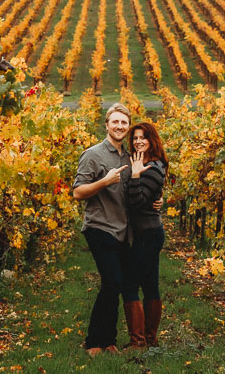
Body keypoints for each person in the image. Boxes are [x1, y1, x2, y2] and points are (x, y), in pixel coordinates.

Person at [73, 103, 132, 357]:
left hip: (122, 230)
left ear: (128, 127)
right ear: (107, 124)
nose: (119, 126)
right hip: (99, 226)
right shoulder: (93, 154)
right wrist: (104, 181)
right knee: (112, 282)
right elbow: (77, 192)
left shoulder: (129, 158)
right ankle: (94, 342)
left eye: (124, 123)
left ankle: (109, 340)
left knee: (115, 286)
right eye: (115, 122)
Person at [121, 122, 168, 349]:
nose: (138, 141)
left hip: (148, 234)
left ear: (152, 141)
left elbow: (137, 203)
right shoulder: (146, 164)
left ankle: (138, 341)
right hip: (148, 232)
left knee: (130, 284)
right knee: (150, 285)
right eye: (135, 138)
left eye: (143, 138)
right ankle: (150, 340)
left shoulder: (152, 168)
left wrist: (135, 176)